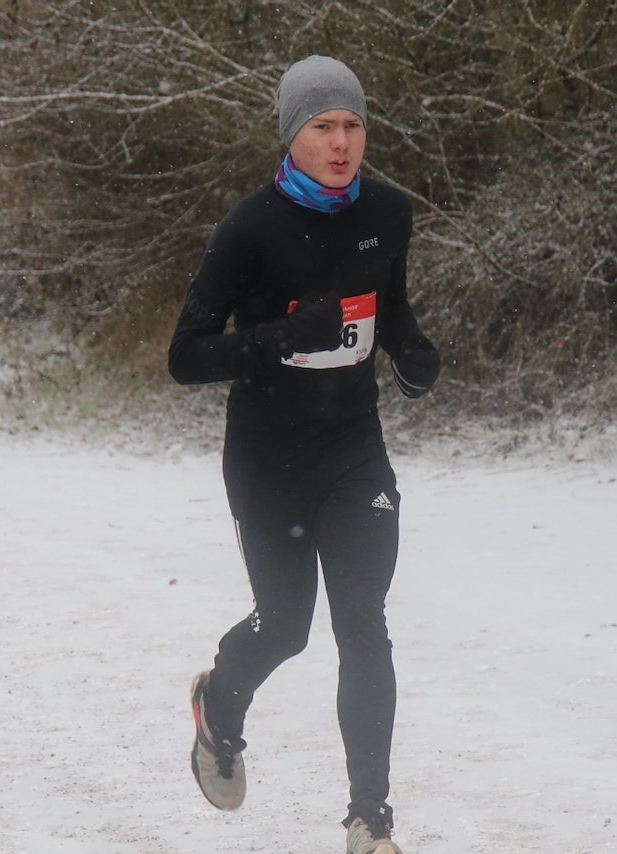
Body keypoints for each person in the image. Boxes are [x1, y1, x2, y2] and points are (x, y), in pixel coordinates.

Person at [167, 54, 440, 854]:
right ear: (292, 135)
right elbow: (185, 356)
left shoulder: (387, 213)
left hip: (354, 450)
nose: (342, 142)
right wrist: (280, 337)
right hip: (269, 460)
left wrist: (411, 351)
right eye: (323, 127)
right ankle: (219, 703)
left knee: (364, 624)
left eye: (353, 125)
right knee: (286, 628)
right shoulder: (248, 230)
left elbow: (389, 310)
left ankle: (369, 822)